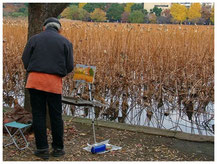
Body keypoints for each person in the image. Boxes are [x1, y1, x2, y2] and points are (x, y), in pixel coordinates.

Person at [22, 17, 73, 160]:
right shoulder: (65, 42)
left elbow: (25, 58)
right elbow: (69, 66)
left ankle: (42, 149)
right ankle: (58, 149)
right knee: (56, 116)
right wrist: (59, 73)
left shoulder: (34, 39)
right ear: (59, 29)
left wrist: (32, 69)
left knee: (38, 115)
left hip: (35, 81)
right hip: (54, 83)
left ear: (44, 27)